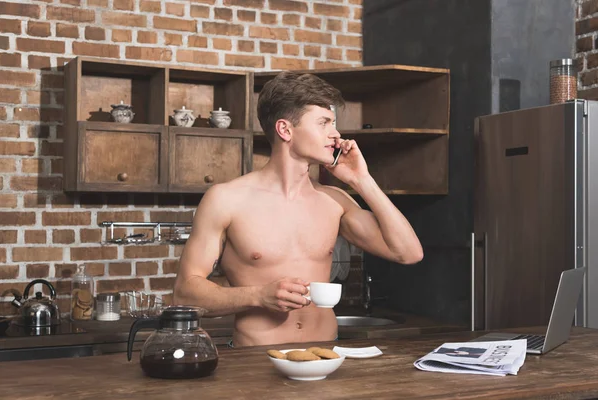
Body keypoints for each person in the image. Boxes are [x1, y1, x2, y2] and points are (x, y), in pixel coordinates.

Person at [173, 72, 423, 348]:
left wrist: (361, 181)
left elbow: (408, 253)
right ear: (285, 130)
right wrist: (258, 296)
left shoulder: (335, 201)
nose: (336, 134)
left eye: (333, 124)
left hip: (326, 352)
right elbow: (185, 293)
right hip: (255, 358)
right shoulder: (227, 199)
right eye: (323, 123)